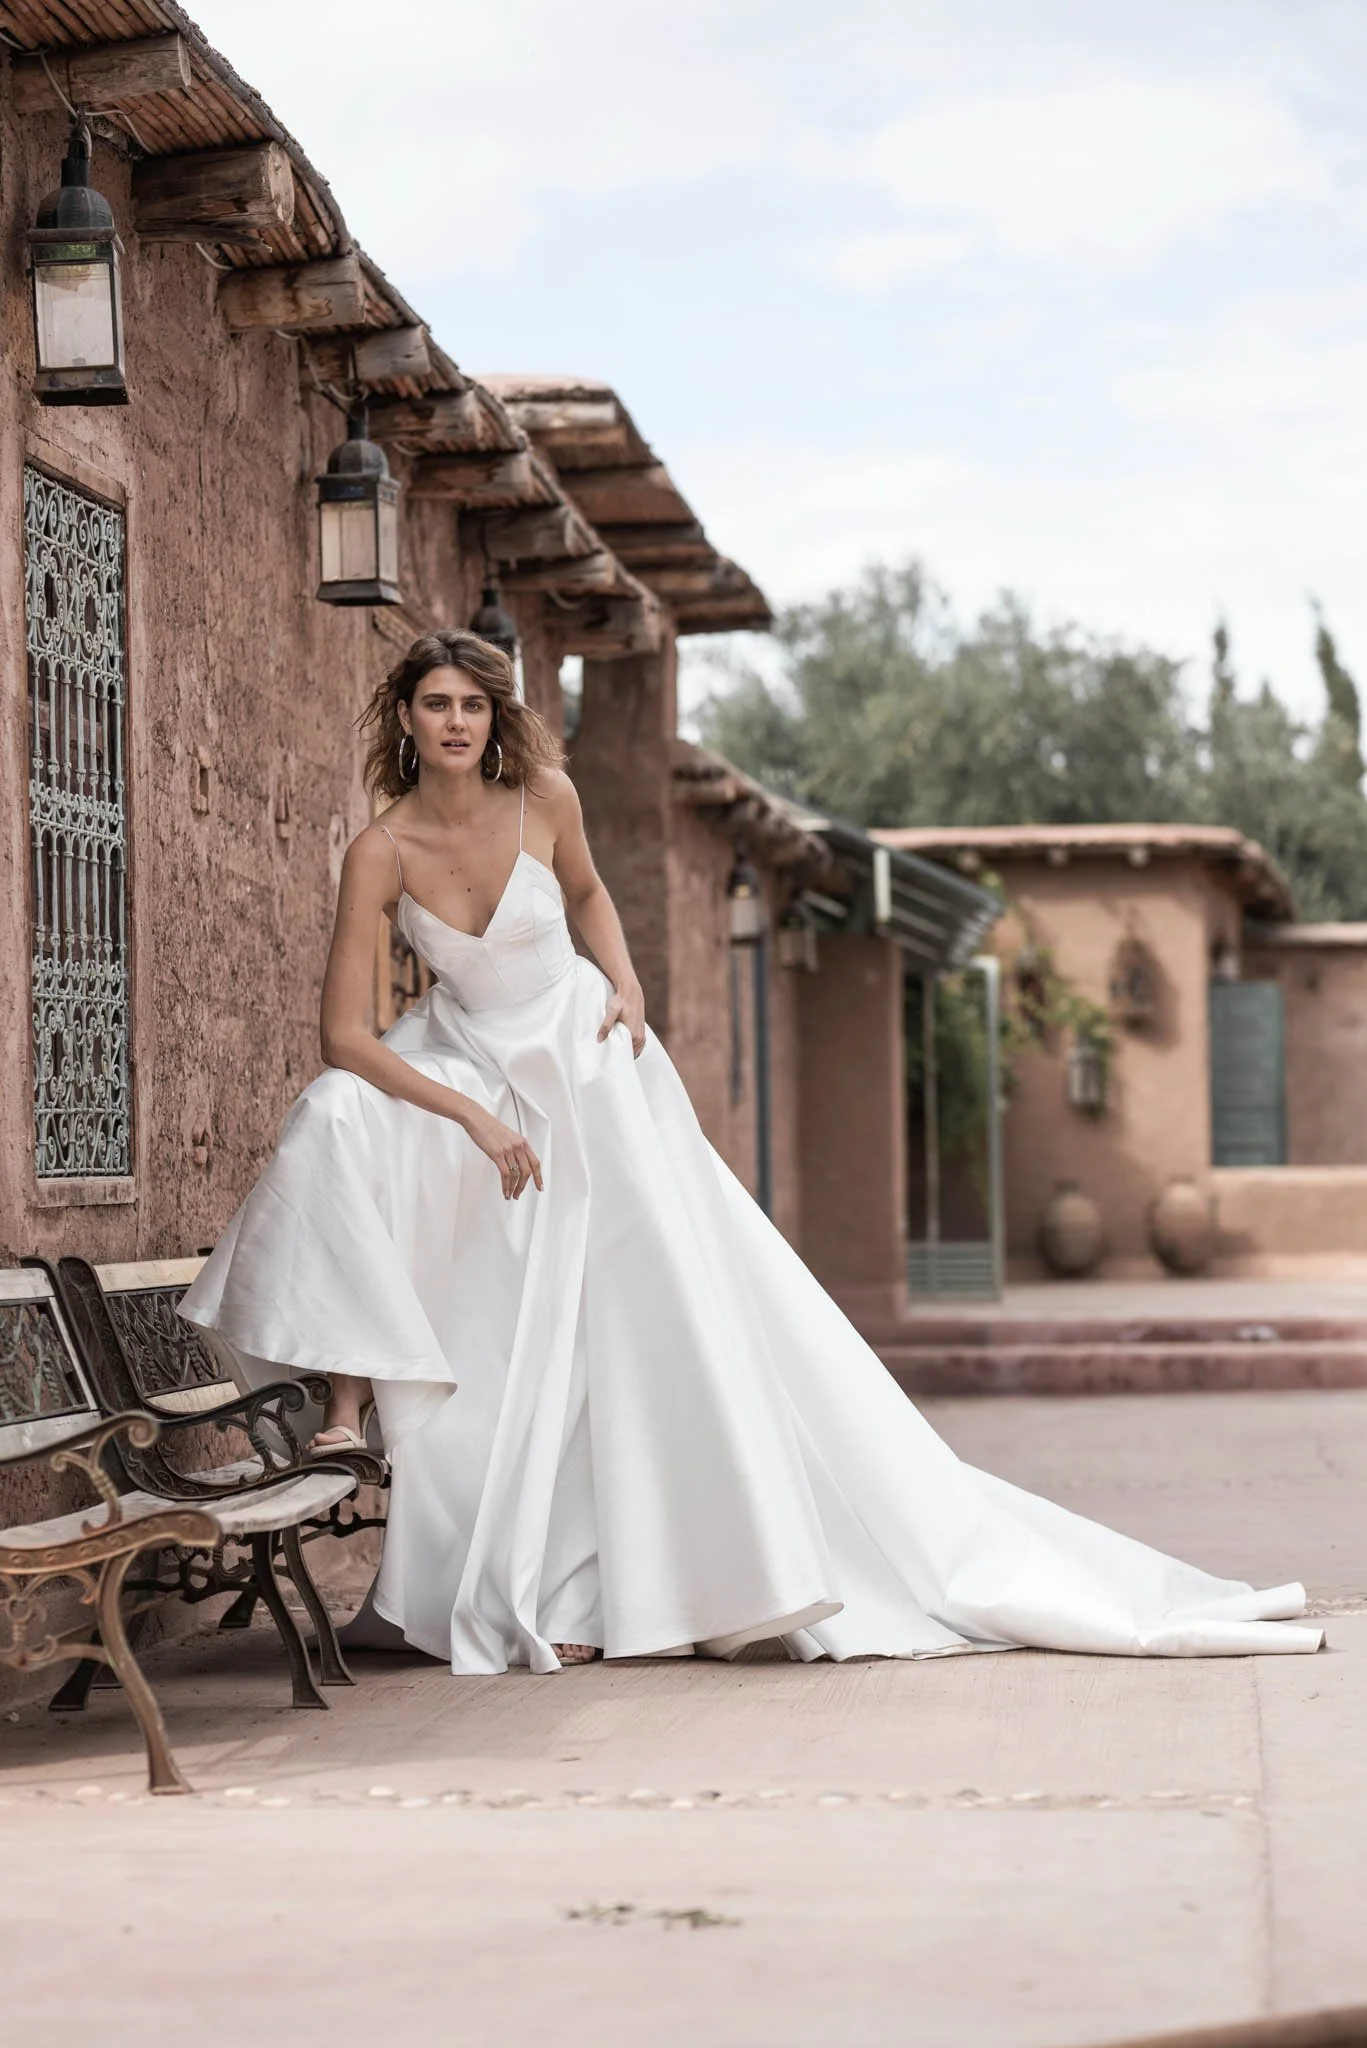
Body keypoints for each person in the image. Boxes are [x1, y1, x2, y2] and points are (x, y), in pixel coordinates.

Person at [180, 630, 1324, 1673]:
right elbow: (341, 1034)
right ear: (406, 718)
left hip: (587, 1068)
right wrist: (469, 1117)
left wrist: (624, 981)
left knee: (624, 1327)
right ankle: (390, 1435)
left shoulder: (547, 798)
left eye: (474, 703)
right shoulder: (379, 851)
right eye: (435, 703)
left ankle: (618, 1576)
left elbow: (585, 895)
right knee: (358, 1139)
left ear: (494, 717)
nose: (456, 722)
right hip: (473, 1069)